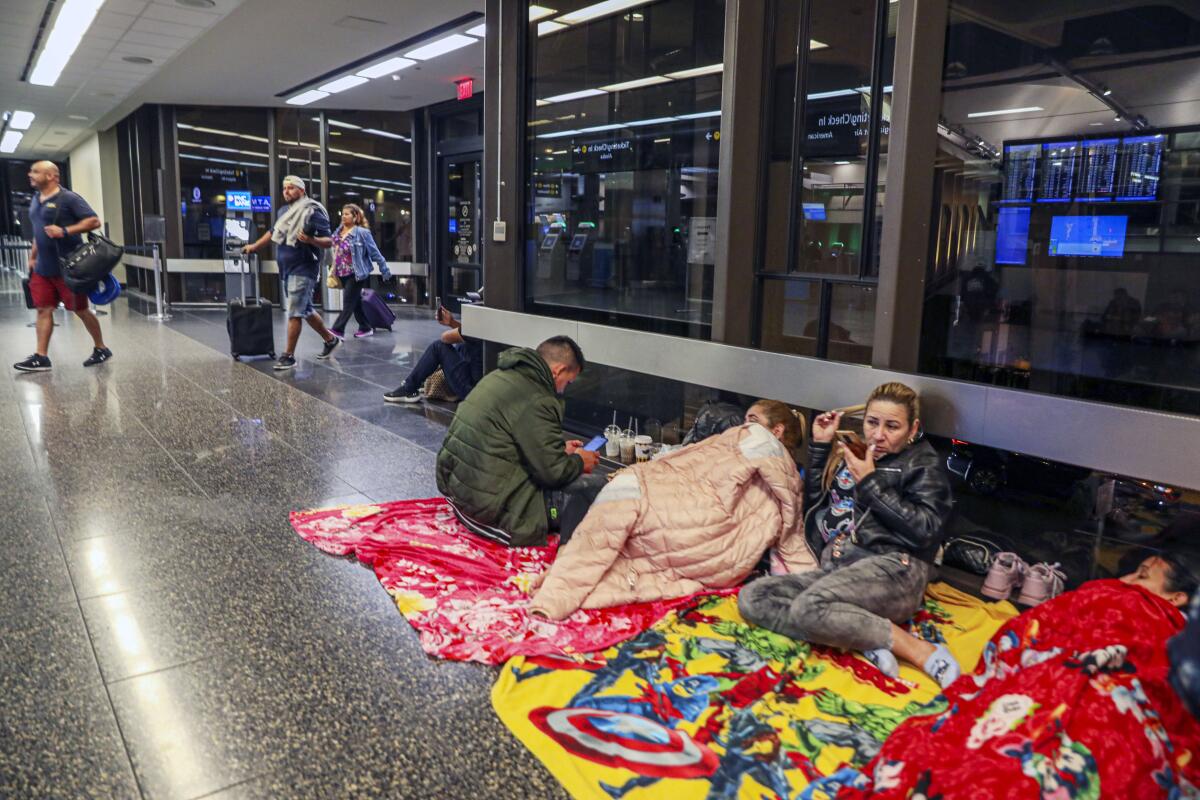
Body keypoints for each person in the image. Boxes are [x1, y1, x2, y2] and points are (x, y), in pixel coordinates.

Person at [839, 552, 1200, 800]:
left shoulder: (1164, 624)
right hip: (1060, 666)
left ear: (1177, 598)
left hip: (1121, 683)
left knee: (1099, 735)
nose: (1126, 579)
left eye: (1141, 575)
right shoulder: (1107, 593)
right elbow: (1040, 625)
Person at [737, 382, 960, 688]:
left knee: (808, 608)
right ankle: (860, 636)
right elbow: (818, 504)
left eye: (892, 426)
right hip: (846, 566)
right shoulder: (858, 453)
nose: (879, 435)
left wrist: (869, 483)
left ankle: (917, 649)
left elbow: (926, 531)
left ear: (913, 428)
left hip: (897, 569)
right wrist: (819, 447)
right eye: (872, 423)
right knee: (754, 597)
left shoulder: (922, 464)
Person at [529, 400, 816, 619]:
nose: (745, 426)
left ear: (776, 430)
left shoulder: (769, 451)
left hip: (706, 525)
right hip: (705, 528)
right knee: (626, 525)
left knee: (624, 503)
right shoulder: (749, 449)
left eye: (753, 420)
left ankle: (557, 592)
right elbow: (692, 462)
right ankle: (562, 584)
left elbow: (788, 517)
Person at [436, 336, 602, 547]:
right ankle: (574, 553)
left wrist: (559, 450)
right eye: (567, 382)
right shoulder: (539, 398)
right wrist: (580, 462)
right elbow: (553, 474)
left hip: (462, 497)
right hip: (493, 514)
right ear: (558, 371)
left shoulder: (501, 376)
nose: (564, 389)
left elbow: (509, 440)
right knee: (593, 487)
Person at [14, 161, 111, 372]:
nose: (30, 174)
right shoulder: (35, 200)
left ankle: (101, 347)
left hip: (68, 268)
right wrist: (33, 257)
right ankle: (41, 356)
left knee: (81, 310)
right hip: (43, 268)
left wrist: (65, 231)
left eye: (36, 172)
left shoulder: (69, 199)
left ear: (51, 176)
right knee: (43, 309)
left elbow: (94, 221)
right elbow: (39, 232)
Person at [242, 175, 340, 370]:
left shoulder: (312, 211)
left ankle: (288, 356)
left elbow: (329, 241)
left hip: (304, 268)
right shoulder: (283, 211)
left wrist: (311, 240)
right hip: (287, 268)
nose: (286, 191)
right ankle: (330, 340)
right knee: (305, 309)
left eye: (291, 188)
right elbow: (273, 232)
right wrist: (254, 246)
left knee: (295, 311)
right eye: (284, 188)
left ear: (301, 191)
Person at [383, 303, 482, 404]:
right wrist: (451, 322)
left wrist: (457, 326)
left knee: (438, 347)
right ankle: (422, 378)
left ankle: (409, 389)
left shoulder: (478, 326)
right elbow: (469, 335)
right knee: (464, 345)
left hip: (471, 391)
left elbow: (445, 337)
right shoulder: (492, 323)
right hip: (483, 387)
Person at [328, 203, 391, 340]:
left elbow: (375, 253)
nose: (343, 216)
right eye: (342, 214)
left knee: (348, 302)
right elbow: (335, 250)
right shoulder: (338, 231)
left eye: (347, 214)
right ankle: (366, 327)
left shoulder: (362, 233)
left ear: (355, 216)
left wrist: (384, 269)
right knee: (355, 302)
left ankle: (338, 330)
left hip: (356, 274)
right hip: (341, 273)